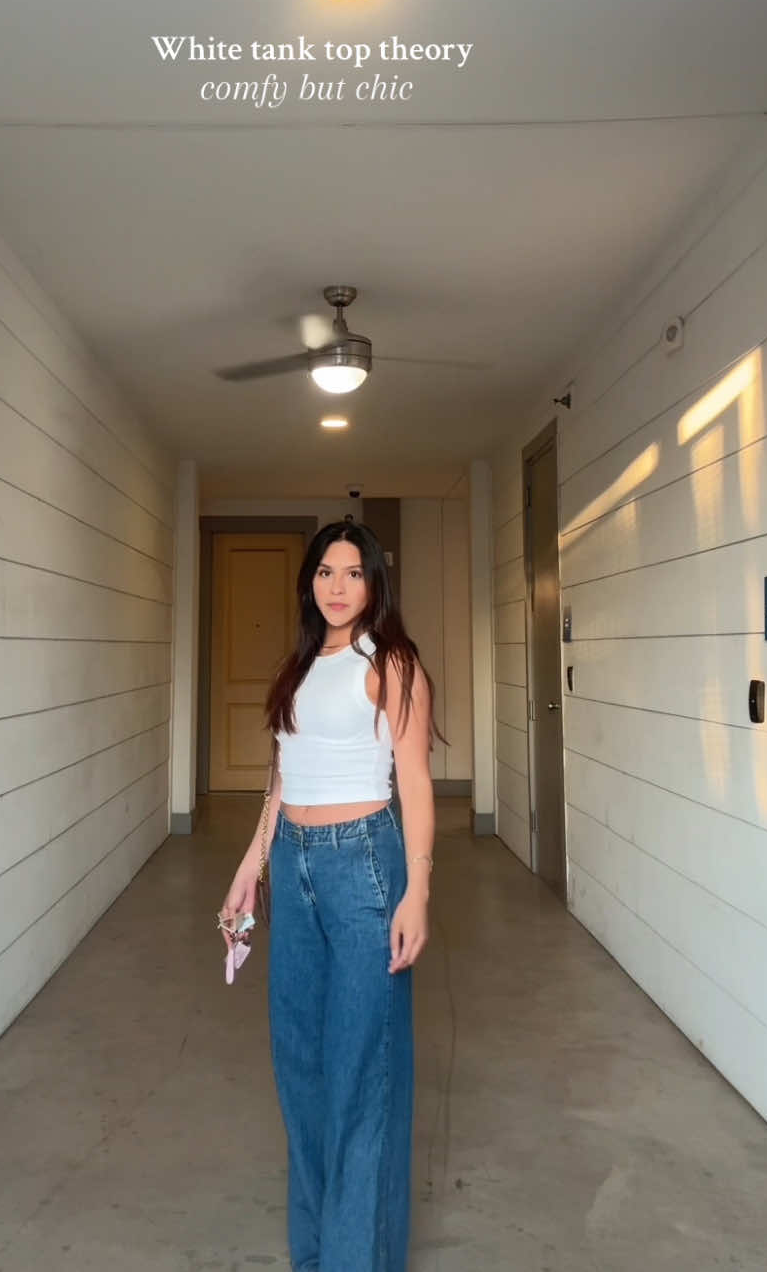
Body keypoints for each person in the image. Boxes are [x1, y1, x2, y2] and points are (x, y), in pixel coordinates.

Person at [219, 520, 442, 1272]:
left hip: (364, 871)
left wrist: (417, 890)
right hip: (296, 863)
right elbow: (283, 779)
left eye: (353, 572)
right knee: (303, 1071)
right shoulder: (301, 666)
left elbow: (413, 780)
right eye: (325, 572)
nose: (338, 586)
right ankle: (316, 1257)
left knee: (362, 1075)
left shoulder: (394, 662)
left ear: (374, 583)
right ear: (309, 581)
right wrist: (251, 866)